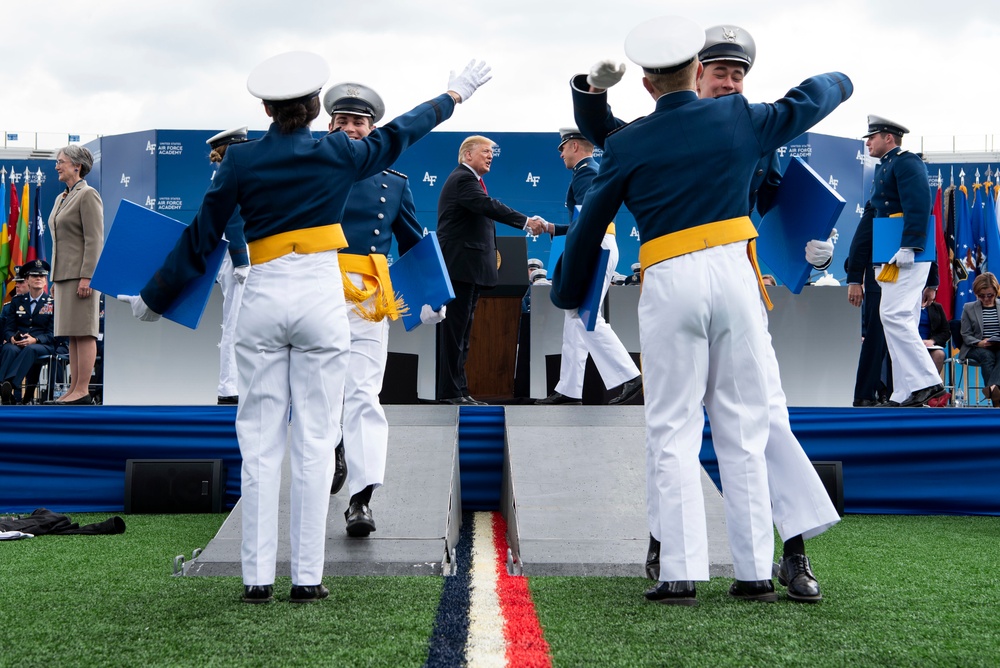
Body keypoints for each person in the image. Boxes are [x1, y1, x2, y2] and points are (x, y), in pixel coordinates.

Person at [118, 51, 492, 604]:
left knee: (260, 436)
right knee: (318, 436)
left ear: (266, 107)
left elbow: (202, 236)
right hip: (323, 297)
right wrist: (455, 94)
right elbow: (404, 130)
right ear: (318, 107)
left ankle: (256, 577)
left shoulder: (240, 161)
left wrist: (155, 295)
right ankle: (308, 578)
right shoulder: (338, 150)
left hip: (264, 295)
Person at [551, 15, 852, 605]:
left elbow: (591, 216)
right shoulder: (746, 119)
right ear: (696, 70)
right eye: (721, 70)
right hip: (736, 281)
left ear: (647, 84)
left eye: (741, 73)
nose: (732, 81)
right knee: (746, 426)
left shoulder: (636, 140)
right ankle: (753, 570)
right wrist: (843, 77)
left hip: (671, 276)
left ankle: (687, 568)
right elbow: (816, 96)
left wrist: (568, 289)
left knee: (677, 425)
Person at [321, 81, 439, 536]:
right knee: (322, 390)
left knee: (365, 394)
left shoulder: (393, 182)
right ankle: (332, 449)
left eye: (360, 122)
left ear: (373, 129)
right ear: (329, 125)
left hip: (369, 296)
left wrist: (432, 298)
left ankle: (362, 497)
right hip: (316, 286)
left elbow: (413, 241)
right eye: (344, 121)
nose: (352, 129)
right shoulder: (312, 169)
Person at [435, 135, 546, 406]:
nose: (490, 155)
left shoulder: (470, 179)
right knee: (455, 333)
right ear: (467, 155)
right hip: (460, 267)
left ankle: (459, 391)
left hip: (468, 269)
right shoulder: (463, 178)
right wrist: (525, 221)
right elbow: (488, 206)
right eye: (485, 151)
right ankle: (451, 392)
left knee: (462, 332)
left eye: (492, 152)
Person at [535, 127, 641, 406]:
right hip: (597, 243)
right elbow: (585, 220)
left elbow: (587, 220)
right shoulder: (588, 171)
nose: (560, 154)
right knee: (574, 319)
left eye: (562, 148)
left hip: (594, 246)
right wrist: (553, 228)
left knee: (585, 317)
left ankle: (629, 375)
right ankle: (570, 389)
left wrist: (576, 252)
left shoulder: (586, 172)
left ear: (574, 146)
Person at [863, 115, 945, 407]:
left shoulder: (906, 161)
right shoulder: (887, 166)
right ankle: (904, 391)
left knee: (894, 315)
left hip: (907, 252)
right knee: (900, 317)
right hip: (891, 252)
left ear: (889, 138)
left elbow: (919, 205)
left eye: (872, 137)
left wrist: (911, 244)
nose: (868, 142)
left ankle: (927, 381)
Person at [46, 145, 103, 405]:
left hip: (82, 275)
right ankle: (73, 389)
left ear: (77, 166)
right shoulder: (61, 198)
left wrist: (88, 276)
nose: (57, 166)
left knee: (85, 332)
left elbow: (94, 239)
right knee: (72, 333)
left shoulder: (88, 194)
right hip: (64, 275)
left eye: (61, 162)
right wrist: (55, 279)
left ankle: (83, 389)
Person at [206, 127, 252, 406]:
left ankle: (233, 384)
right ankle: (229, 386)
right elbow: (233, 217)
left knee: (240, 323)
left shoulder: (226, 172)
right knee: (236, 323)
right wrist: (241, 258)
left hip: (237, 255)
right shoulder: (230, 172)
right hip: (238, 256)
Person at [0, 261, 56, 405]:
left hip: (41, 344)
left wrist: (35, 339)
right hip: (18, 342)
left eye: (42, 276)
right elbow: (8, 328)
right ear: (27, 280)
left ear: (45, 281)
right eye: (34, 275)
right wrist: (11, 338)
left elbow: (53, 333)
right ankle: (7, 393)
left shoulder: (52, 303)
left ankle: (8, 384)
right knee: (8, 348)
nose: (39, 278)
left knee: (30, 349)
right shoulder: (17, 301)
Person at [959, 272, 1000, 406]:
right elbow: (965, 334)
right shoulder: (969, 308)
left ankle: (992, 389)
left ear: (996, 291)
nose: (986, 299)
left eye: (990, 295)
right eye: (981, 296)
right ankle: (996, 399)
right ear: (976, 293)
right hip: (976, 347)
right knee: (987, 356)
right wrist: (979, 342)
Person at [919, 297, 949, 375]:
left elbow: (946, 332)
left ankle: (932, 385)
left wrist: (932, 341)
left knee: (939, 354)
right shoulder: (907, 307)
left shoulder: (937, 308)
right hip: (910, 345)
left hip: (930, 346)